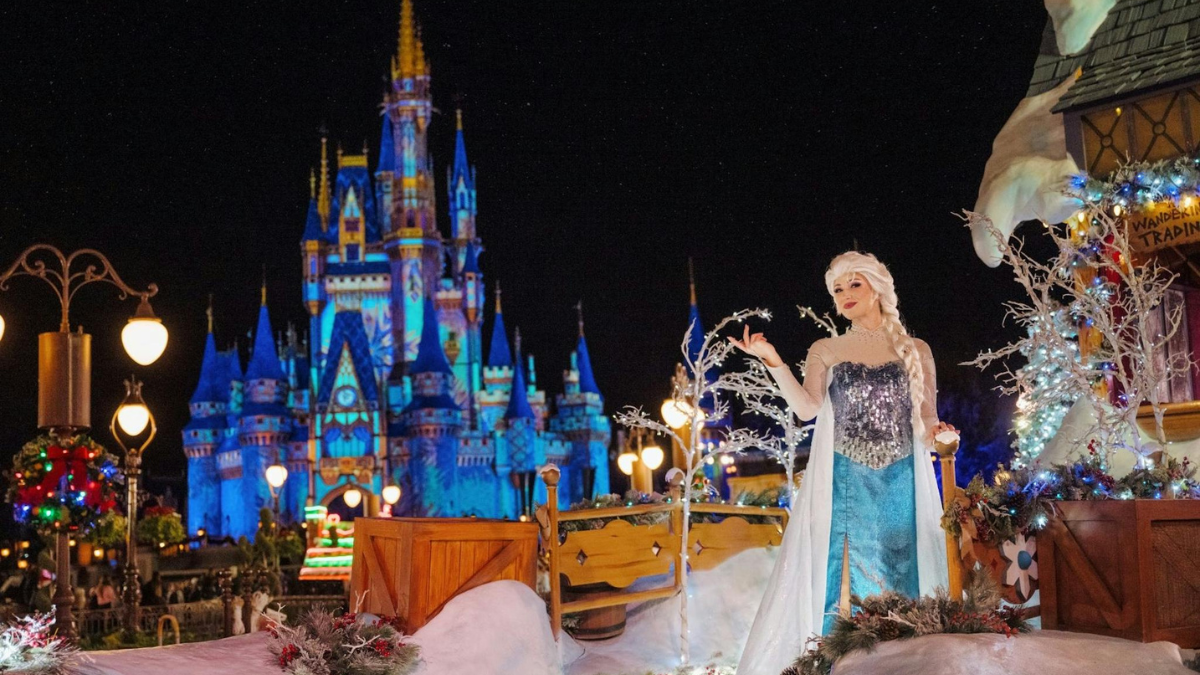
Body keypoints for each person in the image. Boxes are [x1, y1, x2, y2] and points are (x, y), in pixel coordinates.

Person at [731, 251, 955, 675]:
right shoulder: (826, 348)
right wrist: (772, 360)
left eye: (855, 284)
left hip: (902, 483)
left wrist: (940, 434)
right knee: (845, 582)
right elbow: (807, 408)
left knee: (905, 576)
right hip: (846, 483)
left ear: (877, 288)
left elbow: (926, 422)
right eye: (837, 289)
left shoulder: (916, 350)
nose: (845, 295)